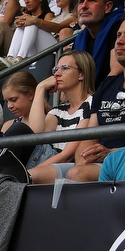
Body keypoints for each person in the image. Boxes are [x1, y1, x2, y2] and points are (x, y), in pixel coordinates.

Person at [68, 11, 125, 182]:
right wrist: (82, 160)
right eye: (118, 35)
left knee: (75, 176)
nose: (119, 40)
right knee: (34, 176)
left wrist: (110, 154)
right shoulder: (107, 84)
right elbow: (90, 134)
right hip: (98, 162)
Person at [28, 50, 96, 184]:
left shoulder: (91, 103)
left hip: (72, 167)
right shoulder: (59, 110)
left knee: (26, 177)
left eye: (65, 68)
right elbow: (35, 133)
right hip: (48, 164)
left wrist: (27, 173)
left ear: (81, 74)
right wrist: (40, 88)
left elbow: (67, 155)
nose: (57, 74)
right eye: (56, 69)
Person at [0, 0, 61, 70]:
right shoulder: (27, 17)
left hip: (51, 50)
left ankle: (19, 59)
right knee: (22, 26)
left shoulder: (48, 15)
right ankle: (10, 58)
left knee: (31, 23)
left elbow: (56, 29)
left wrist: (35, 21)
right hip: (34, 53)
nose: (26, 1)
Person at [72, 0, 124, 82]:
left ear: (107, 7)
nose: (84, 6)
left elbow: (116, 73)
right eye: (81, 1)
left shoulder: (120, 27)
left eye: (91, 1)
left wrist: (93, 97)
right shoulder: (79, 39)